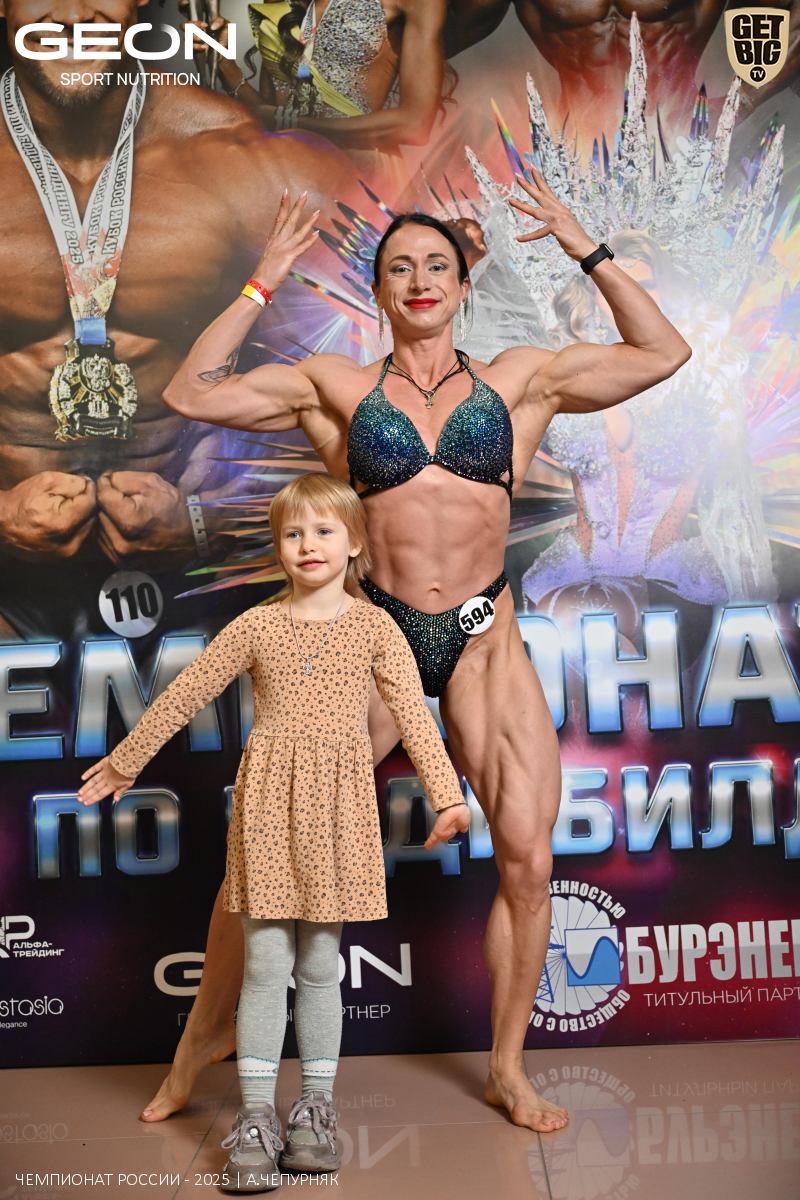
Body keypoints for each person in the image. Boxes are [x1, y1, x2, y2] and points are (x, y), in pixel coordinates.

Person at [151, 182, 690, 1133]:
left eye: (437, 264)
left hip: (485, 643)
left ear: (463, 282)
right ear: (379, 289)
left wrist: (583, 245)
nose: (420, 279)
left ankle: (508, 1069)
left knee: (528, 860)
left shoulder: (521, 381)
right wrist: (264, 281)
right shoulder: (337, 387)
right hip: (369, 642)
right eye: (399, 267)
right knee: (266, 858)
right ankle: (202, 1035)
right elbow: (188, 392)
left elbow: (662, 353)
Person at [77, 472, 467, 1191]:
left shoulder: (375, 628)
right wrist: (127, 760)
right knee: (263, 965)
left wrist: (447, 795)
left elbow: (413, 712)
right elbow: (187, 692)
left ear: (354, 543)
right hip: (268, 805)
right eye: (293, 533)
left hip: (340, 807)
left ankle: (315, 1111)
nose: (308, 545)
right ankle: (256, 1116)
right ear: (278, 548)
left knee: (319, 963)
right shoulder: (256, 626)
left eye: (323, 531)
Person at [0, 0, 354, 639]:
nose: (73, 15)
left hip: (217, 581)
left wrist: (215, 520)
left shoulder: (255, 166)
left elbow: (378, 405)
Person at [443, 0, 800, 148]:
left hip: (684, 147)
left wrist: (742, 102)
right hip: (574, 152)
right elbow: (435, 34)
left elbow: (786, 19)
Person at [184, 0, 450, 157]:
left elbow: (414, 125)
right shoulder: (283, 5)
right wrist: (222, 62)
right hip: (285, 168)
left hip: (358, 176)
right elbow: (267, 113)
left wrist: (291, 123)